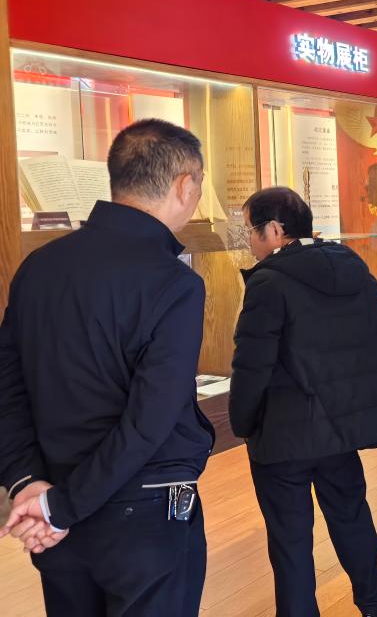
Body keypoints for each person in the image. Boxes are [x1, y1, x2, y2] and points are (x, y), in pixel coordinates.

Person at [0, 119, 215, 616]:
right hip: (143, 513)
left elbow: (8, 389)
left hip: (57, 511)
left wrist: (27, 483)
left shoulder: (37, 267)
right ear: (186, 185)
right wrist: (58, 507)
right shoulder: (174, 282)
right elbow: (150, 421)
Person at [229, 186, 377, 617]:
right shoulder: (350, 264)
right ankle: (376, 596)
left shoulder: (268, 282)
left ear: (275, 231)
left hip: (282, 433)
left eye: (251, 230)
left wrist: (242, 423)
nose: (248, 240)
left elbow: (252, 366)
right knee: (350, 511)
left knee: (290, 536)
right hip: (339, 424)